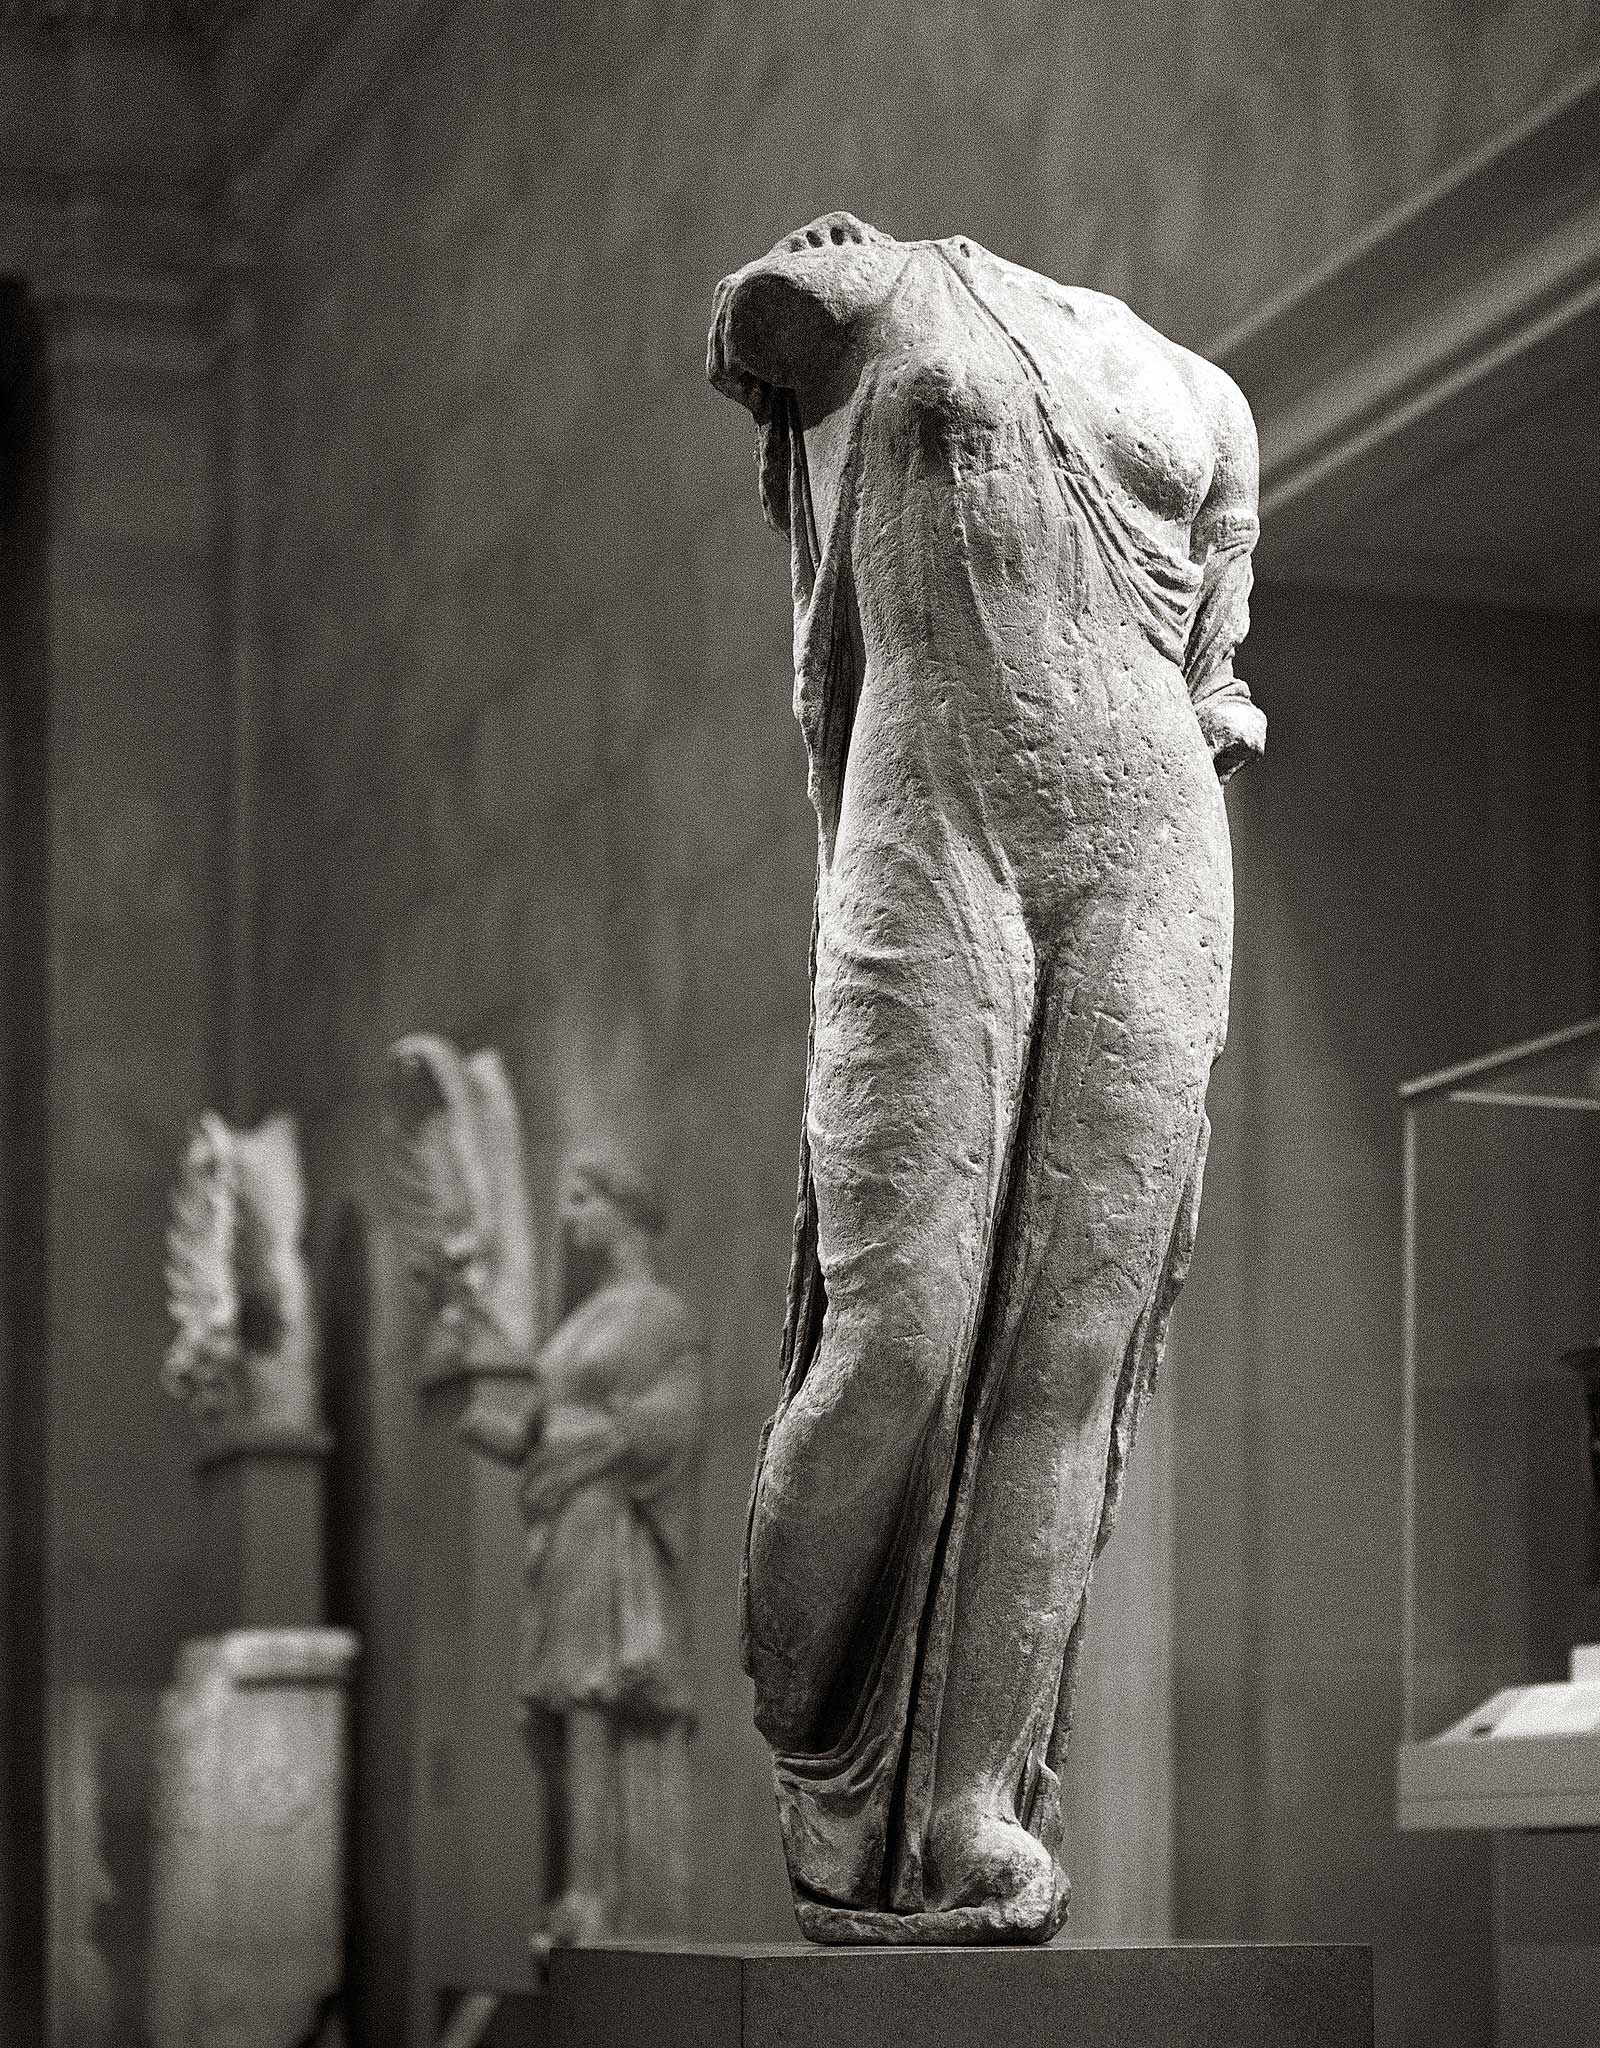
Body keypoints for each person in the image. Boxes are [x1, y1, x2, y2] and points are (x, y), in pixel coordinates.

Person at [709, 213, 1262, 1942]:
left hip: (1152, 842)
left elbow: (1211, 676)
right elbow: (750, 320)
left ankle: (962, 1806)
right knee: (899, 1333)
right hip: (930, 802)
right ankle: (822, 1748)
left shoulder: (1209, 400)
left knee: (1066, 1358)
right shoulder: (863, 278)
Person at [455, 1158, 704, 1953]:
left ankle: (599, 1892)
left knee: (591, 1694)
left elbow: (674, 1423)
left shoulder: (664, 1317)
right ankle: (578, 1887)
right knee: (552, 1709)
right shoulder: (583, 1319)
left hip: (607, 1522)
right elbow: (531, 1425)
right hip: (564, 1524)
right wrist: (477, 1418)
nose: (568, 1217)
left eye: (582, 1198)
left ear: (626, 1207)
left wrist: (589, 1440)